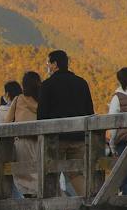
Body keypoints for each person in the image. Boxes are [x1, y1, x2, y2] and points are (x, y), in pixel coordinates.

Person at [37, 49, 95, 198]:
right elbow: (90, 111)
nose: (47, 66)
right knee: (76, 174)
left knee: (51, 174)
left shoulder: (47, 85)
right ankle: (90, 203)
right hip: (79, 138)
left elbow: (41, 116)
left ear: (55, 64)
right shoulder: (82, 83)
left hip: (55, 139)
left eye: (48, 63)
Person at [9, 72, 42, 201]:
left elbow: (7, 122)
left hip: (22, 143)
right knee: (38, 176)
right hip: (40, 142)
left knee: (24, 179)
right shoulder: (42, 101)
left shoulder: (18, 100)